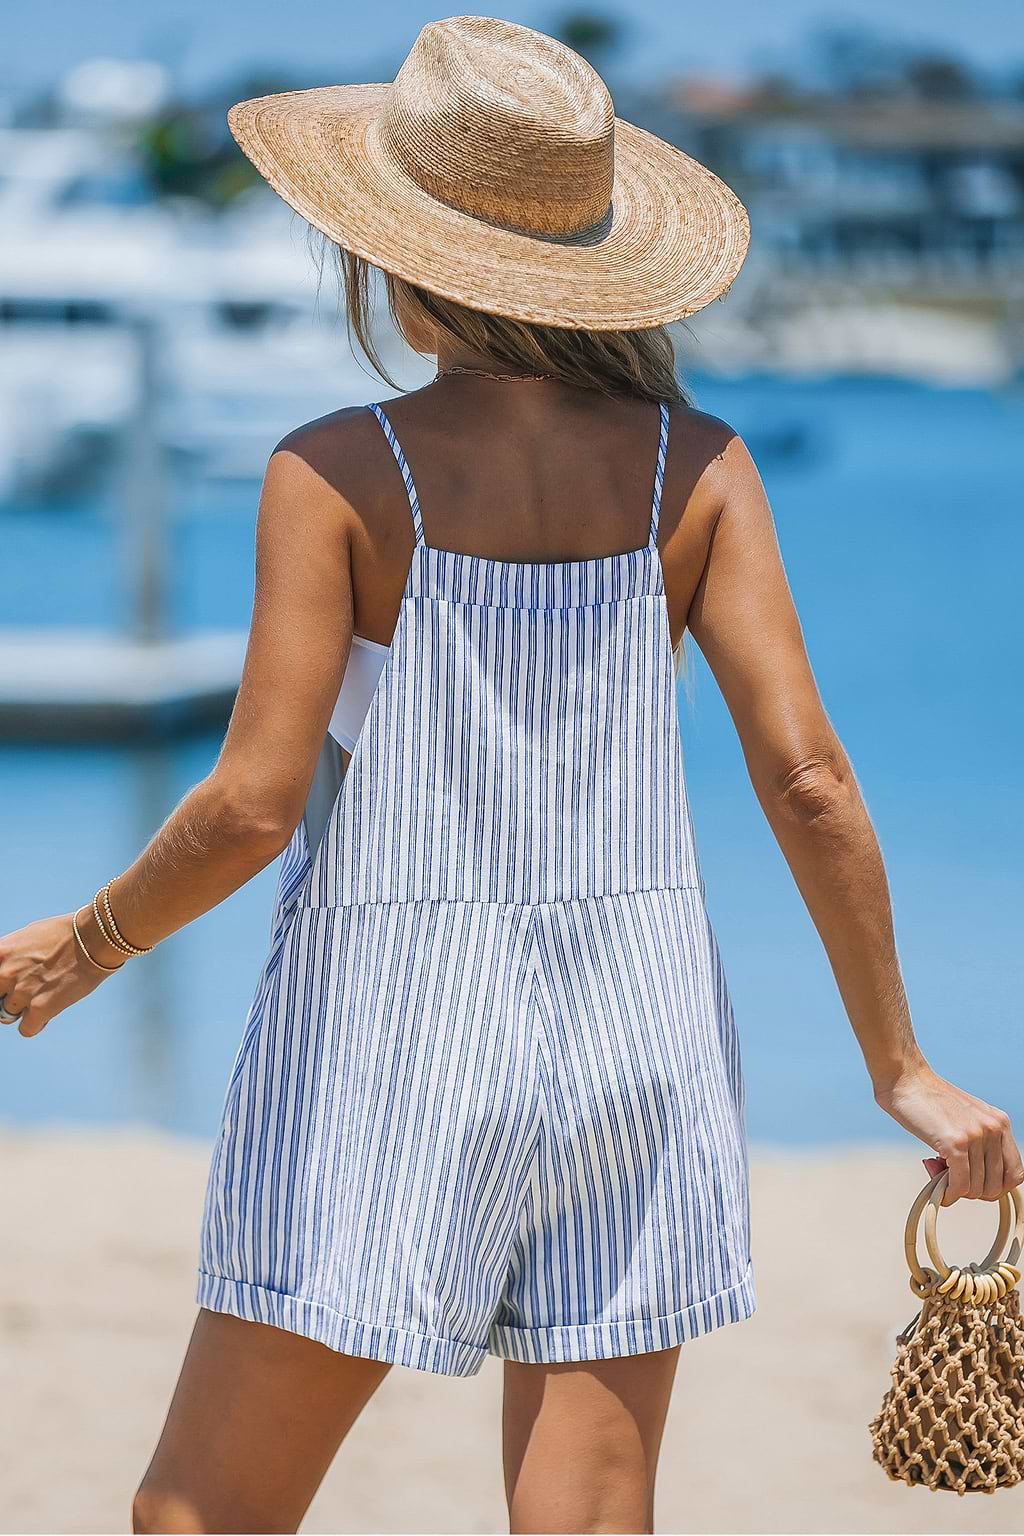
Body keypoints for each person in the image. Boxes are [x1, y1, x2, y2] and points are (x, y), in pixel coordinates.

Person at [2, 17, 1020, 1535]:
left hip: (387, 1033)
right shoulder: (706, 465)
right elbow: (808, 779)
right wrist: (900, 1066)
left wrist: (82, 948)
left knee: (201, 1515)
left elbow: (251, 805)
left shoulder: (339, 468)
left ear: (398, 256)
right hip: (646, 1032)